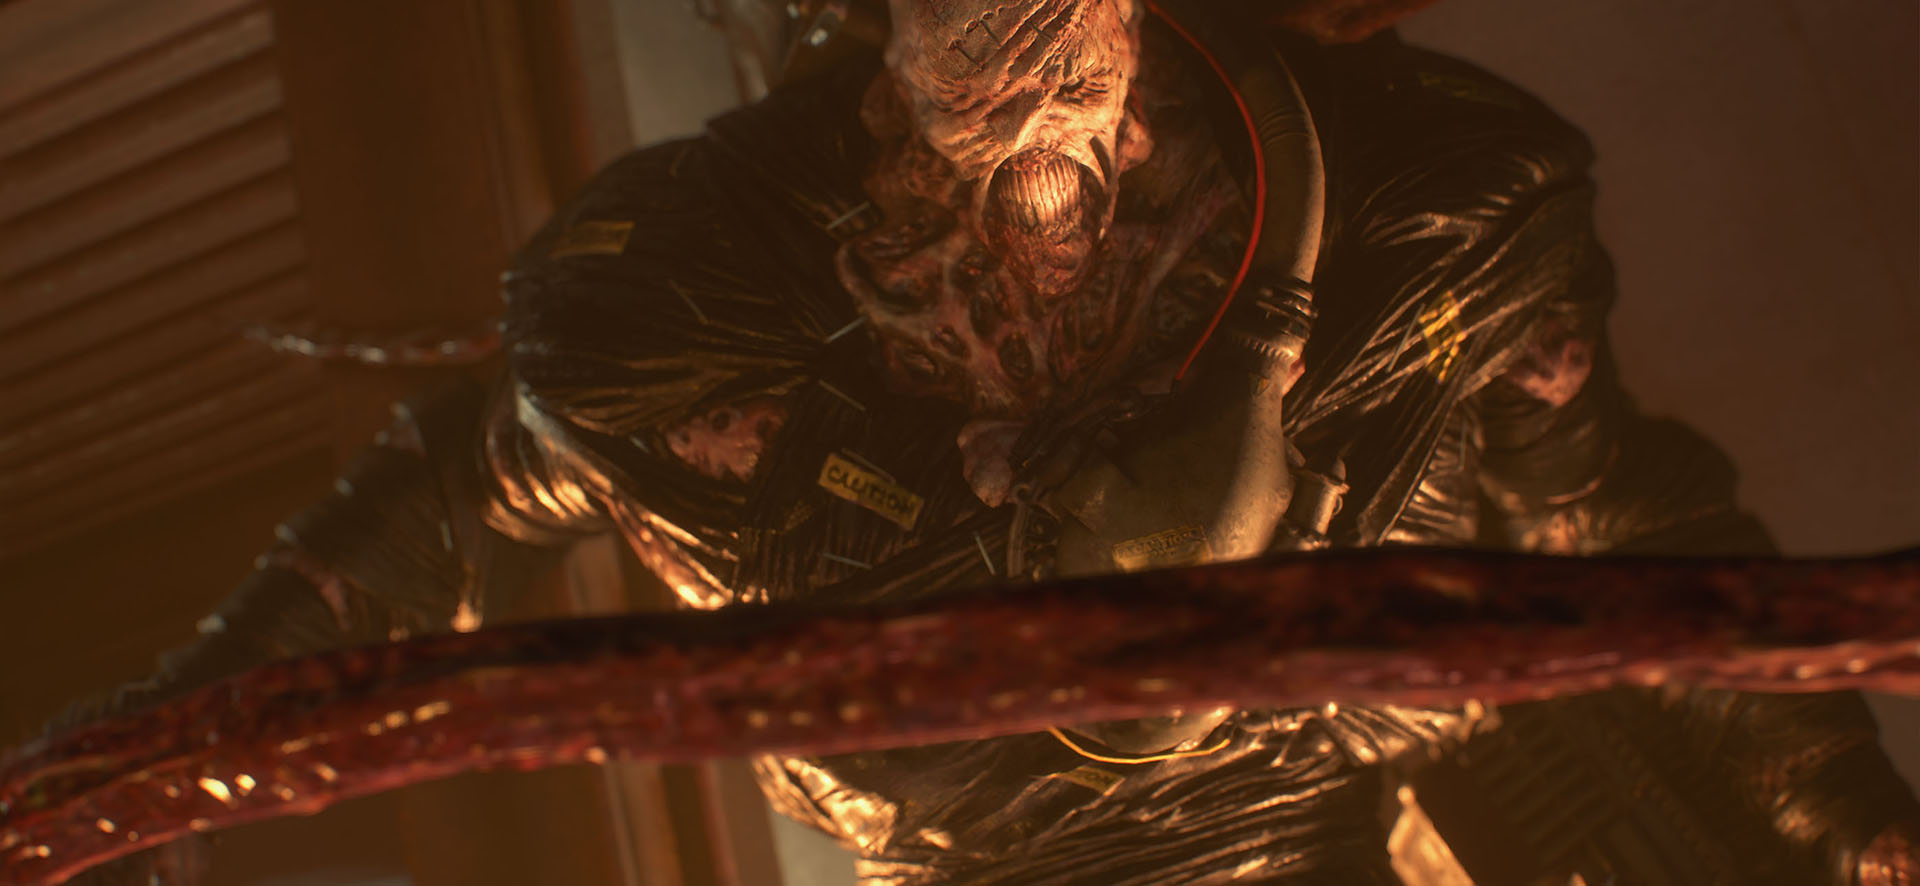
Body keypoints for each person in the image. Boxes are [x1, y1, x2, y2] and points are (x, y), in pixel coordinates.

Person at [97, 0, 1918, 881]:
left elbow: (1616, 510)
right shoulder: (700, 338)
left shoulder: (1429, 227)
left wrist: (1836, 801)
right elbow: (454, 486)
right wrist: (169, 756)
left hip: (1332, 765)